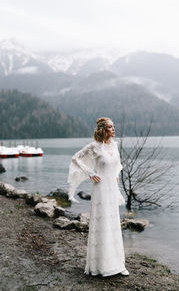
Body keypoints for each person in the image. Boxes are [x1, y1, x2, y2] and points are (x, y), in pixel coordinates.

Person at [67, 117, 129, 276]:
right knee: (102, 225)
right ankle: (100, 266)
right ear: (103, 130)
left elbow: (117, 165)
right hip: (100, 188)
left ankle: (117, 264)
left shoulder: (115, 146)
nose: (113, 129)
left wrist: (116, 175)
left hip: (111, 188)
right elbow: (75, 158)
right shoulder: (94, 146)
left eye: (114, 126)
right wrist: (90, 173)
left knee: (113, 222)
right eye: (110, 127)